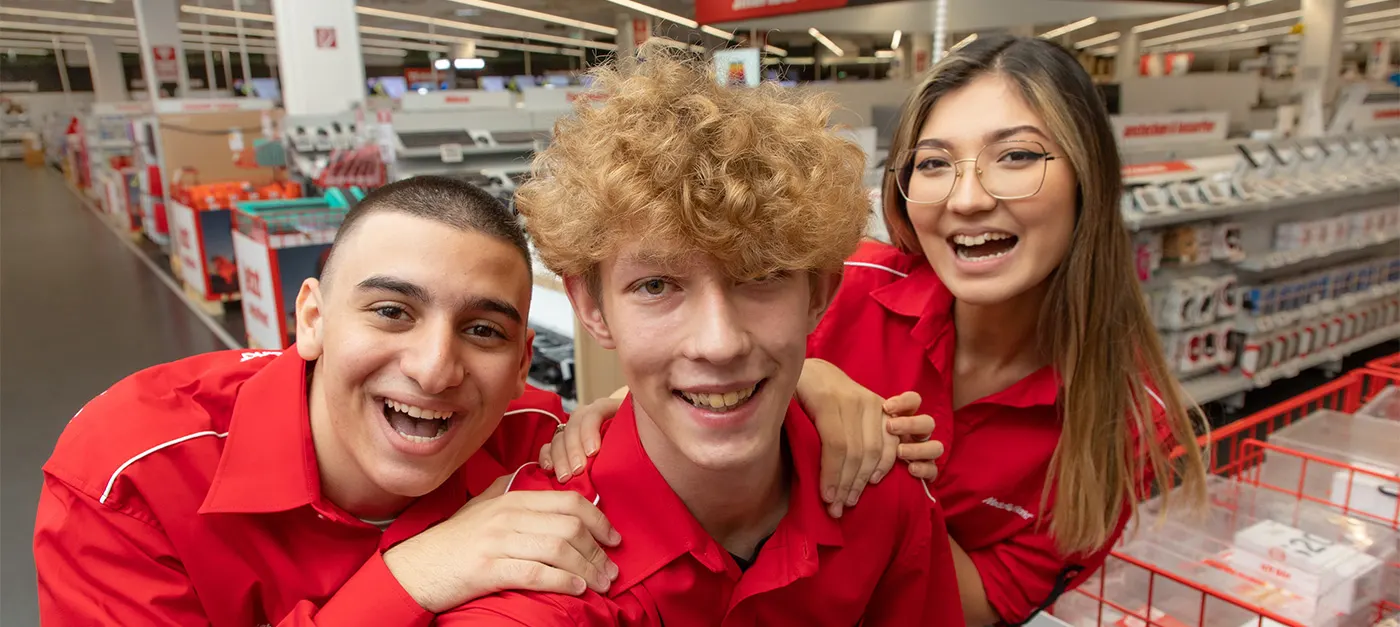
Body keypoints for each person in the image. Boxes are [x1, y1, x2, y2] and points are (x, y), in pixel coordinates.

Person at [549, 35, 1210, 626]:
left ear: (1088, 178)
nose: (969, 196)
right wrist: (808, 377)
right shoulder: (852, 281)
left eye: (1015, 156)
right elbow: (692, 377)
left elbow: (979, 605)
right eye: (933, 163)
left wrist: (891, 487)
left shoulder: (1120, 421)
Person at [438, 43, 964, 626]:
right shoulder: (532, 572)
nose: (720, 343)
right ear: (591, 305)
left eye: (760, 276)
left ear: (818, 293)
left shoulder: (887, 489)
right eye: (657, 286)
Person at [34, 177, 623, 626]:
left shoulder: (537, 439)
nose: (435, 369)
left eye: (483, 331)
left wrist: (642, 419)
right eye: (392, 312)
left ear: (522, 364)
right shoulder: (133, 477)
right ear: (312, 320)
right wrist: (413, 576)